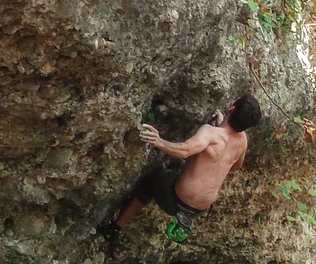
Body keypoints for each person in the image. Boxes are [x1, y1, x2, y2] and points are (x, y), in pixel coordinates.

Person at [110, 94, 261, 241]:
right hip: (198, 211)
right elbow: (235, 167)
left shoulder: (210, 133)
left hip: (174, 200)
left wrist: (159, 142)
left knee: (154, 177)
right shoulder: (242, 141)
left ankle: (115, 227)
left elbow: (184, 151)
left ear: (231, 109)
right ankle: (181, 224)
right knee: (181, 166)